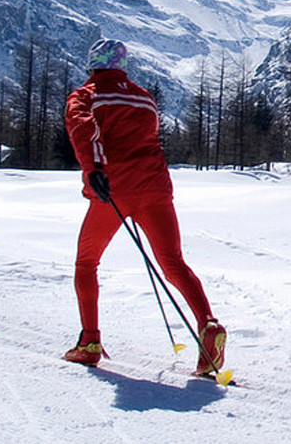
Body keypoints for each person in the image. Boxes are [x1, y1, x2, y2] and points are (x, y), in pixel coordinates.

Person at [62, 38, 226, 377]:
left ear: (92, 65)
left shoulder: (85, 96)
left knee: (86, 262)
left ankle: (89, 342)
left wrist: (94, 171)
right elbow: (147, 137)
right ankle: (208, 324)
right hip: (155, 188)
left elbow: (83, 130)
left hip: (113, 191)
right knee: (173, 263)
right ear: (122, 66)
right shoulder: (144, 97)